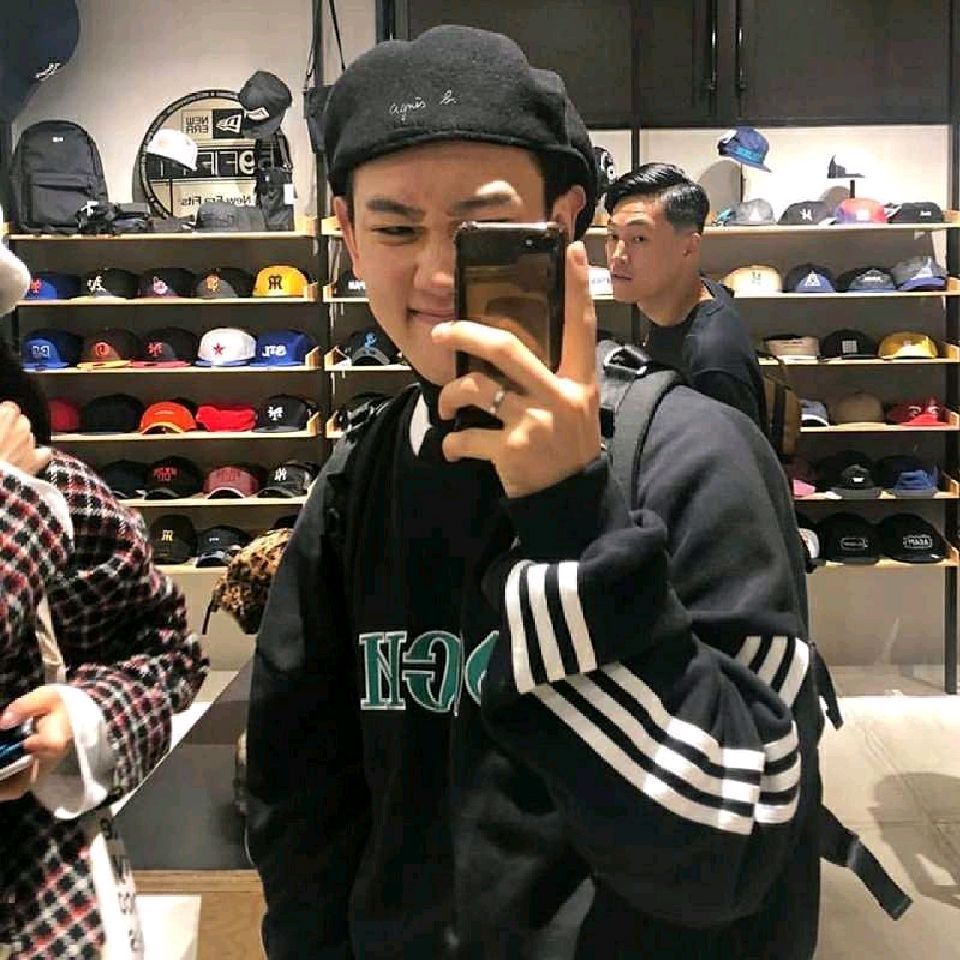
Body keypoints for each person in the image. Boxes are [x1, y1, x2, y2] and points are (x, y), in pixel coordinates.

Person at [247, 25, 822, 960]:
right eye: (394, 230)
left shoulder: (696, 455)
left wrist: (570, 515)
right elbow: (298, 794)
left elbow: (734, 849)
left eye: (484, 232)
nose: (438, 274)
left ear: (564, 220)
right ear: (346, 236)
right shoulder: (362, 473)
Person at [0, 245, 208, 957]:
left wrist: (85, 718)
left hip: (47, 898)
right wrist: (8, 502)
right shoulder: (27, 495)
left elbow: (165, 657)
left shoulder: (61, 493)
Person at [604, 163, 767, 431]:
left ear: (689, 247)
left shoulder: (711, 358)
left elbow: (732, 455)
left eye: (639, 239)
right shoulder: (678, 300)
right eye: (613, 236)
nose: (618, 255)